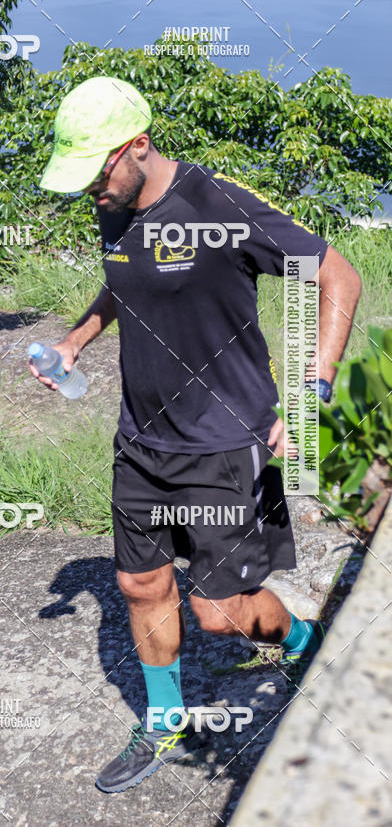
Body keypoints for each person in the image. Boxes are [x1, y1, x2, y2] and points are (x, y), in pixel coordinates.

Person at [31, 75, 362, 793]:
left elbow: (338, 275)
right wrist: (76, 341)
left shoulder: (219, 204)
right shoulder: (111, 205)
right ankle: (165, 719)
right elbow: (124, 282)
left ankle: (305, 643)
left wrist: (313, 394)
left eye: (95, 172)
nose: (89, 190)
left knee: (218, 615)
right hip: (142, 441)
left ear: (137, 147)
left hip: (225, 443)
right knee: (139, 582)